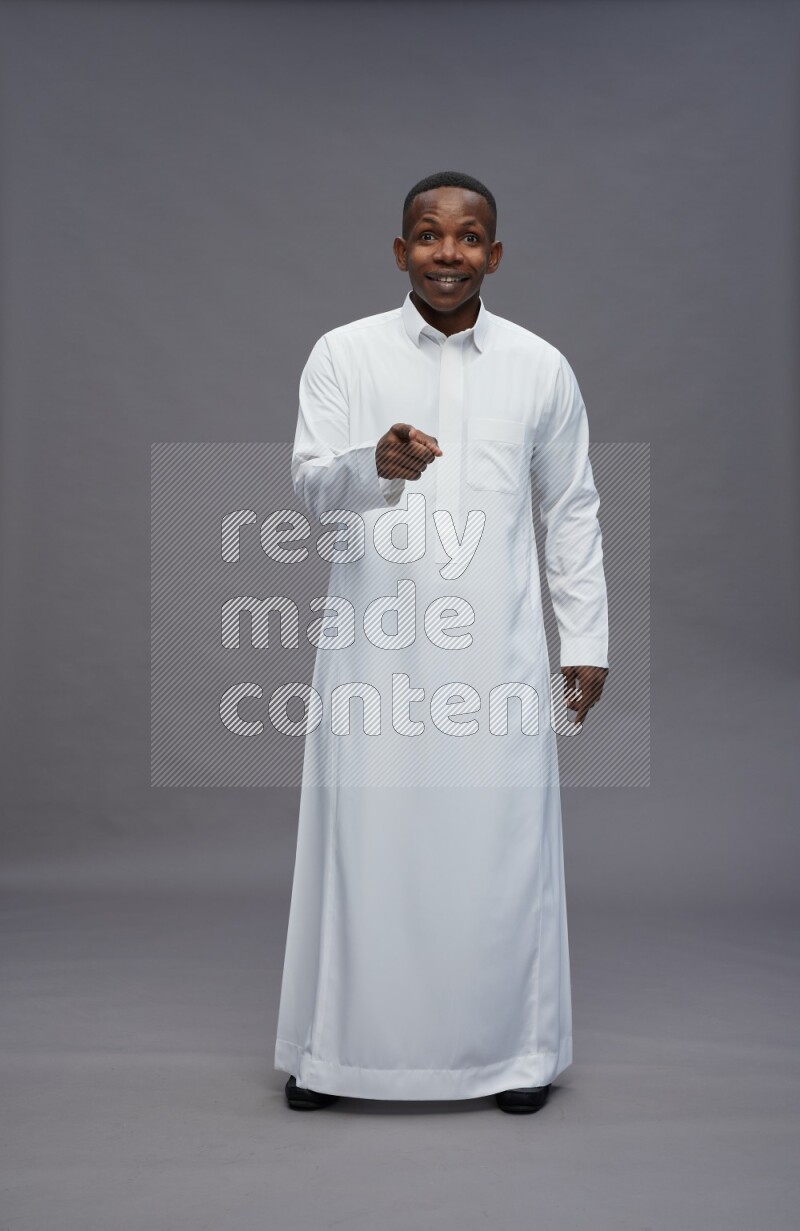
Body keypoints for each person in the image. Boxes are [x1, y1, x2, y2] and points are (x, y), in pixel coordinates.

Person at [274, 171, 609, 1114]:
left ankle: (513, 1053)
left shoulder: (540, 366)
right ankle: (332, 1052)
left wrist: (585, 635)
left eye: (468, 239)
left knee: (499, 850)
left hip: (495, 653)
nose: (448, 253)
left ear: (494, 255)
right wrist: (368, 464)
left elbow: (572, 508)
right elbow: (306, 485)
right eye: (429, 235)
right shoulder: (343, 354)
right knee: (362, 844)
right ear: (400, 251)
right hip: (374, 646)